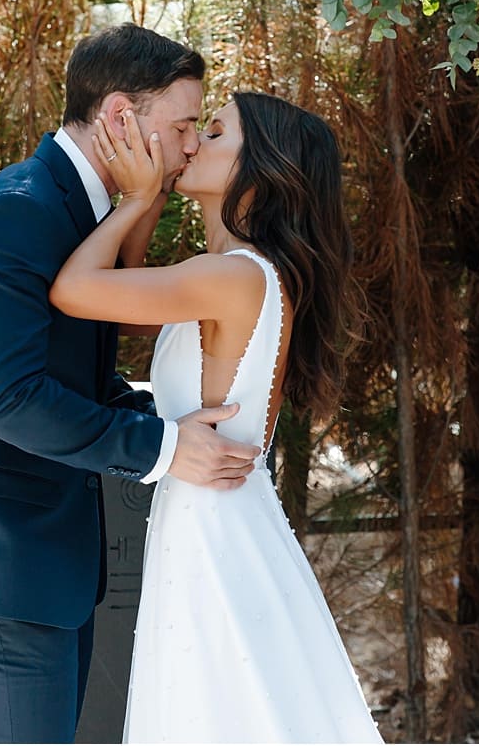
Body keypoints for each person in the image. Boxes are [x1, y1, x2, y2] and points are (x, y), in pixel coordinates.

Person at [0, 24, 262, 745]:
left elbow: (77, 373)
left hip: (39, 567)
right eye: (180, 125)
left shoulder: (73, 212)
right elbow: (11, 400)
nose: (187, 145)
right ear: (121, 117)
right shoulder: (15, 214)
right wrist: (164, 447)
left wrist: (171, 418)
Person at [50, 91, 384, 743]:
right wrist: (144, 205)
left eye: (216, 131)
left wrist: (139, 199)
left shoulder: (233, 277)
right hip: (218, 516)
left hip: (213, 529)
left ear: (258, 171)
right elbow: (123, 299)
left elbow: (74, 290)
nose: (194, 141)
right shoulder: (238, 274)